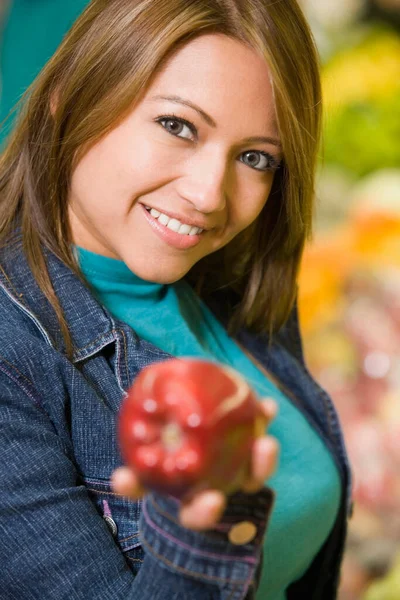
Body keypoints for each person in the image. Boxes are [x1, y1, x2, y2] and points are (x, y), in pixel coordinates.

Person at [0, 1, 353, 598]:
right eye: (178, 126)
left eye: (255, 158)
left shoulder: (231, 282)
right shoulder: (13, 356)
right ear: (71, 95)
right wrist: (202, 533)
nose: (209, 195)